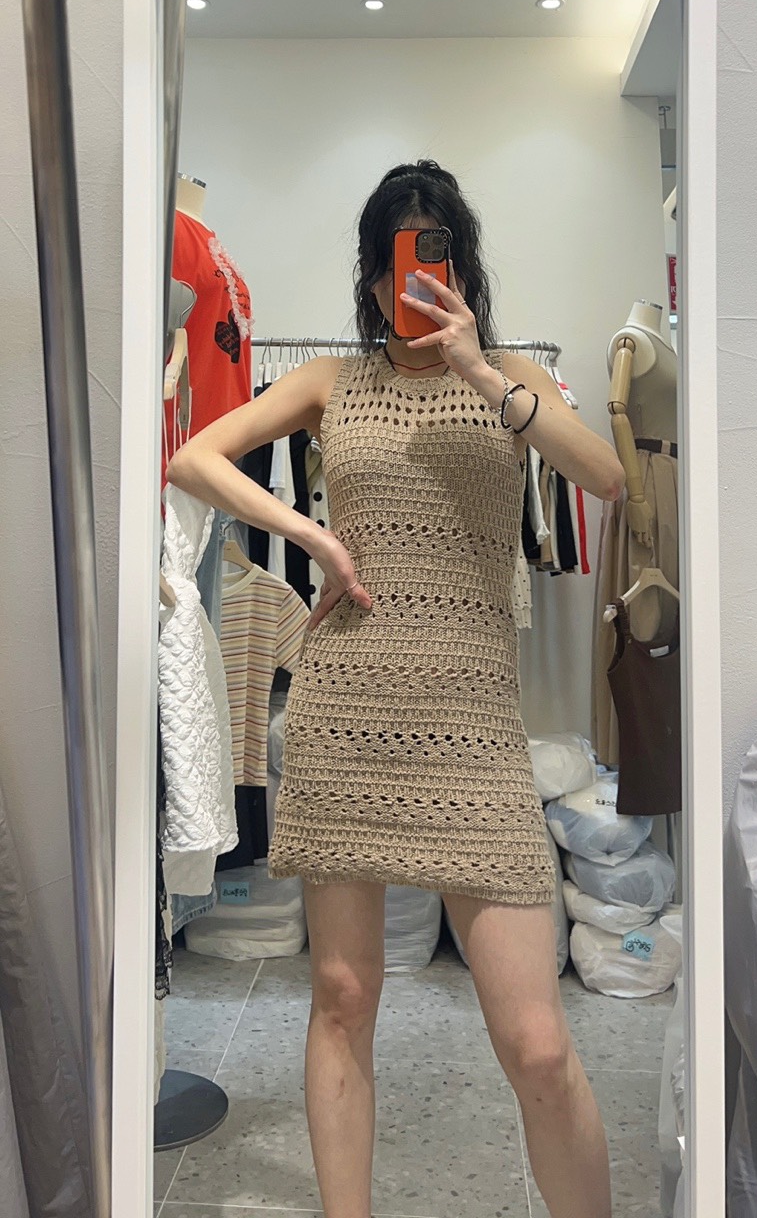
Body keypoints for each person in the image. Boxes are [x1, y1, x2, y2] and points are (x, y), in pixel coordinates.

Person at [166, 160, 624, 1218]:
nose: (410, 284)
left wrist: (478, 369)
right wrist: (312, 536)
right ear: (372, 276)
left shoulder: (510, 374)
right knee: (341, 995)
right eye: (393, 263)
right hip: (345, 712)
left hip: (474, 726)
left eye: (433, 258)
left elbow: (602, 478)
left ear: (461, 268)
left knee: (536, 1042)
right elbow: (193, 460)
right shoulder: (331, 381)